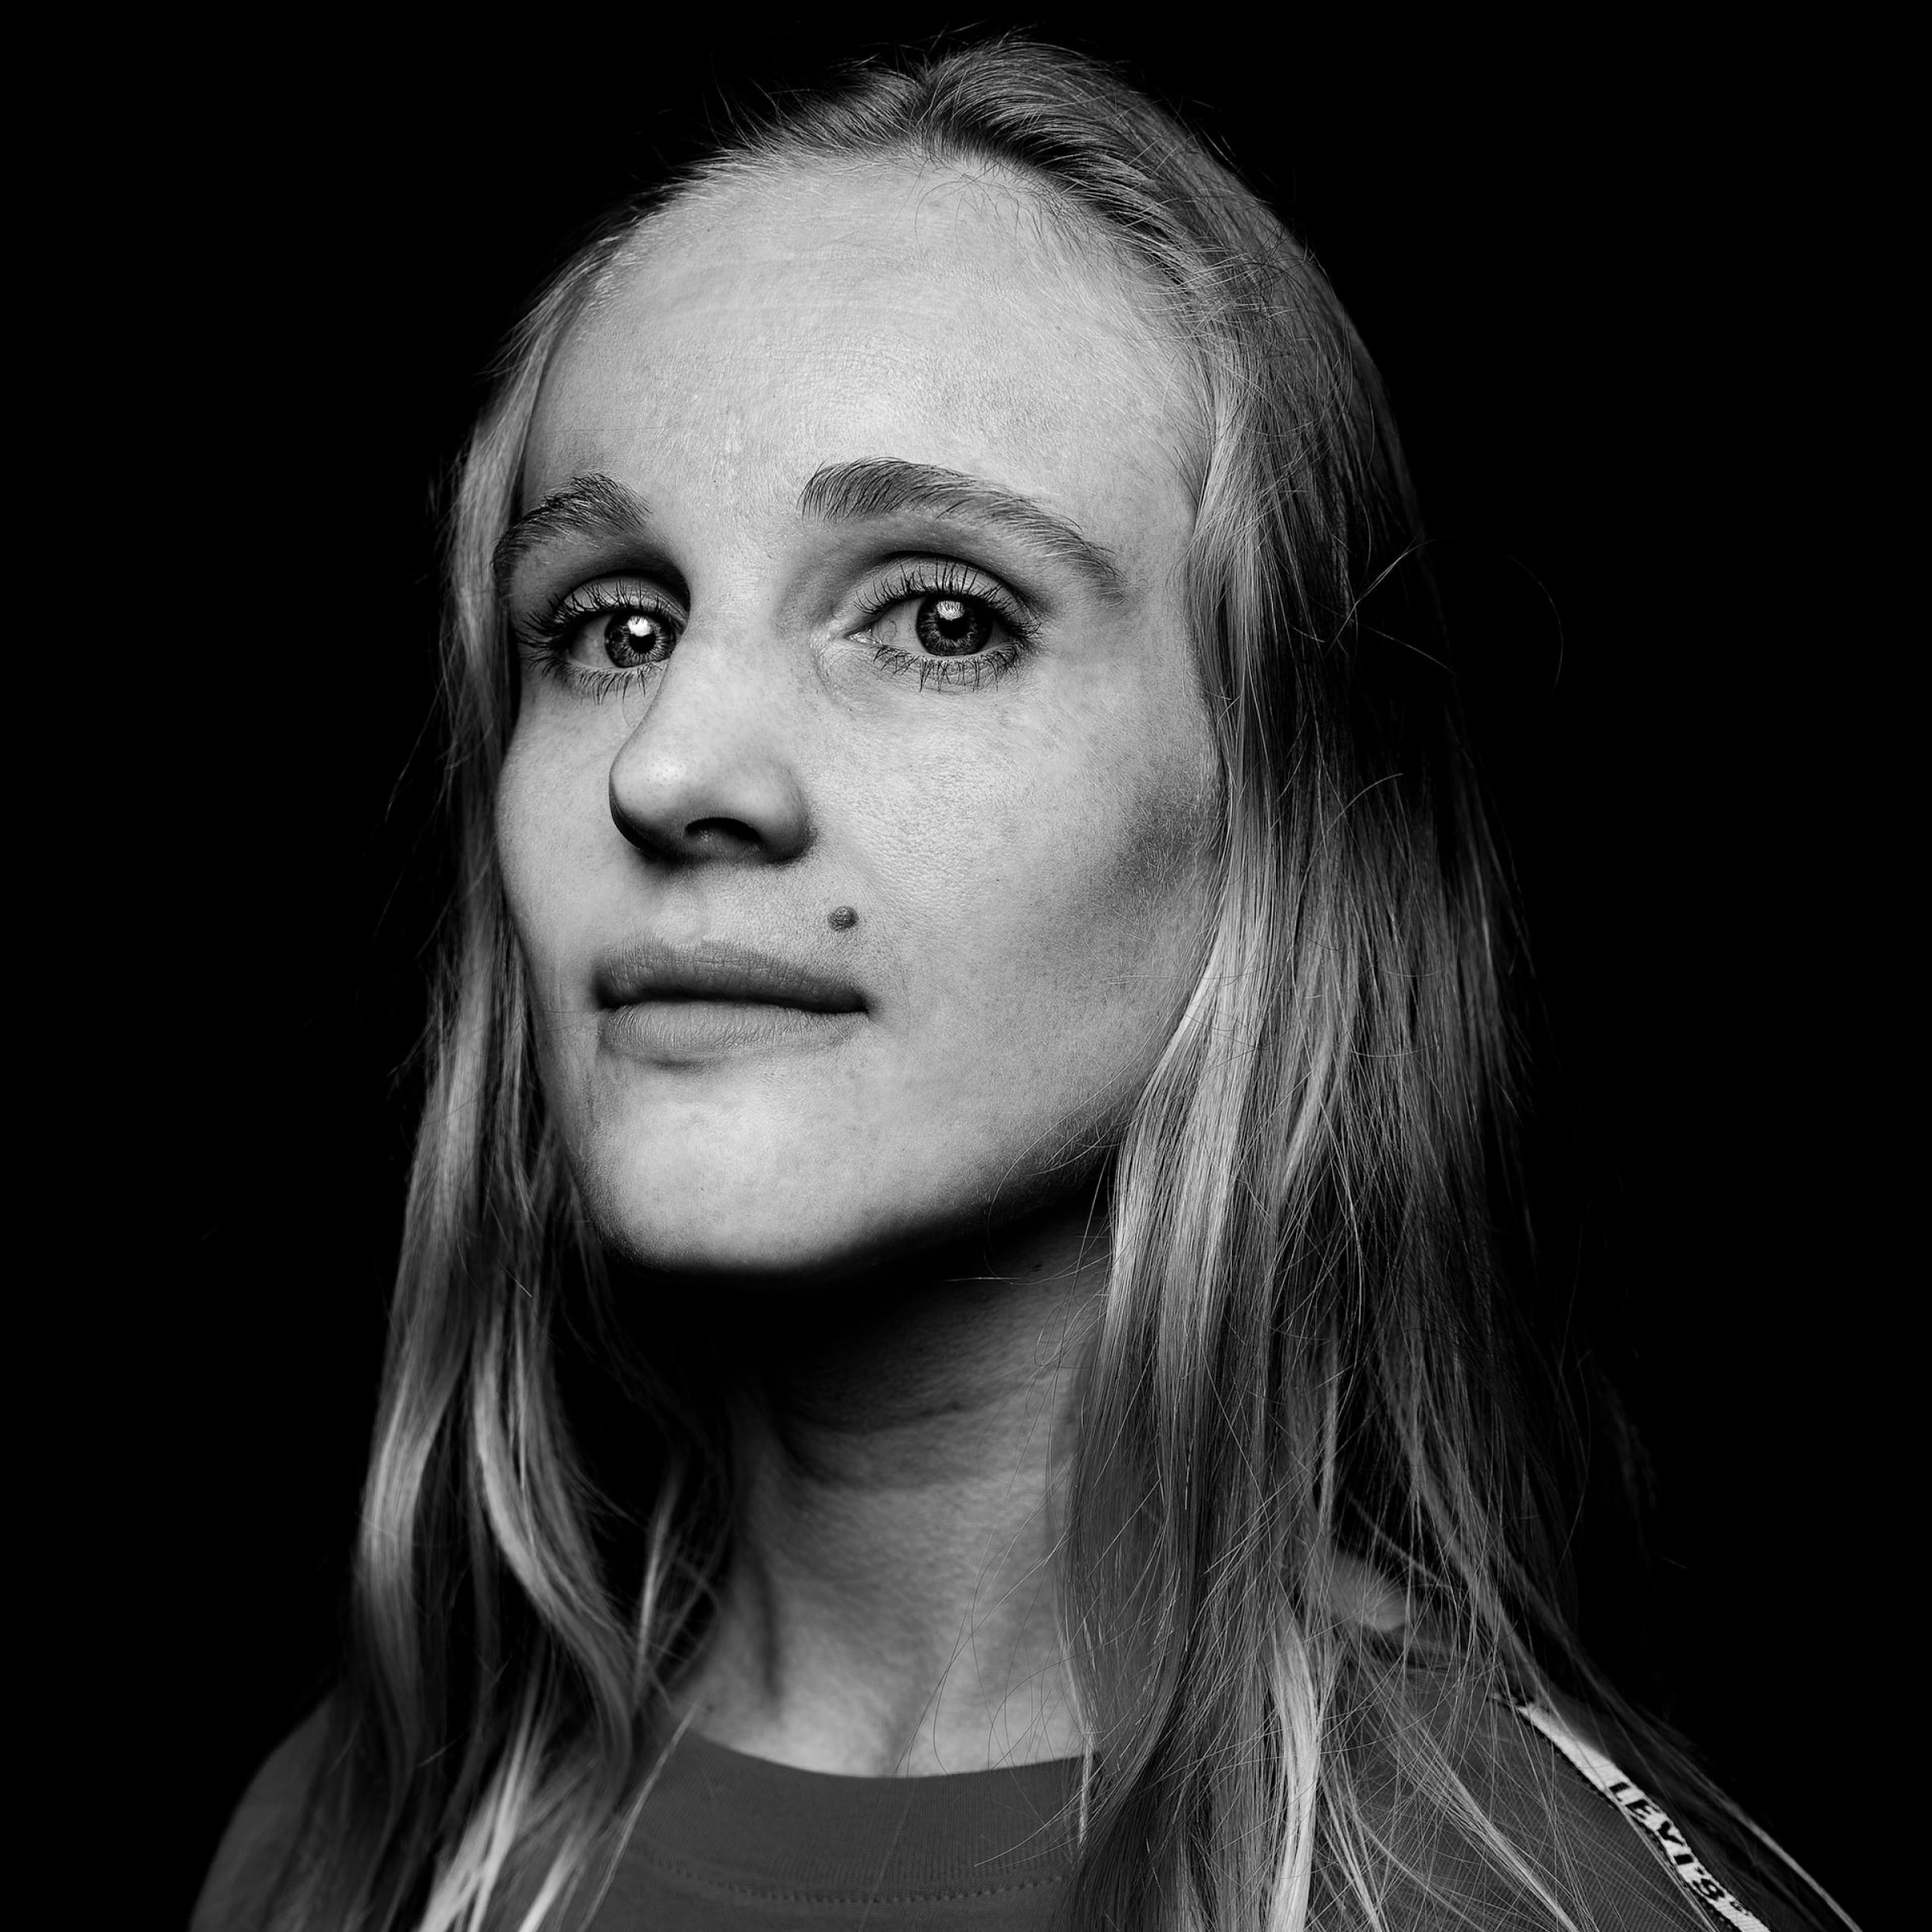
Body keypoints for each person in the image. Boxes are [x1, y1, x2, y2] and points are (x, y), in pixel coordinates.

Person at [192, 37, 1852, 1932]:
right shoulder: (352, 1841)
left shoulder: (1513, 1895)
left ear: (1280, 812)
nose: (670, 765)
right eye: (613, 625)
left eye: (941, 617)